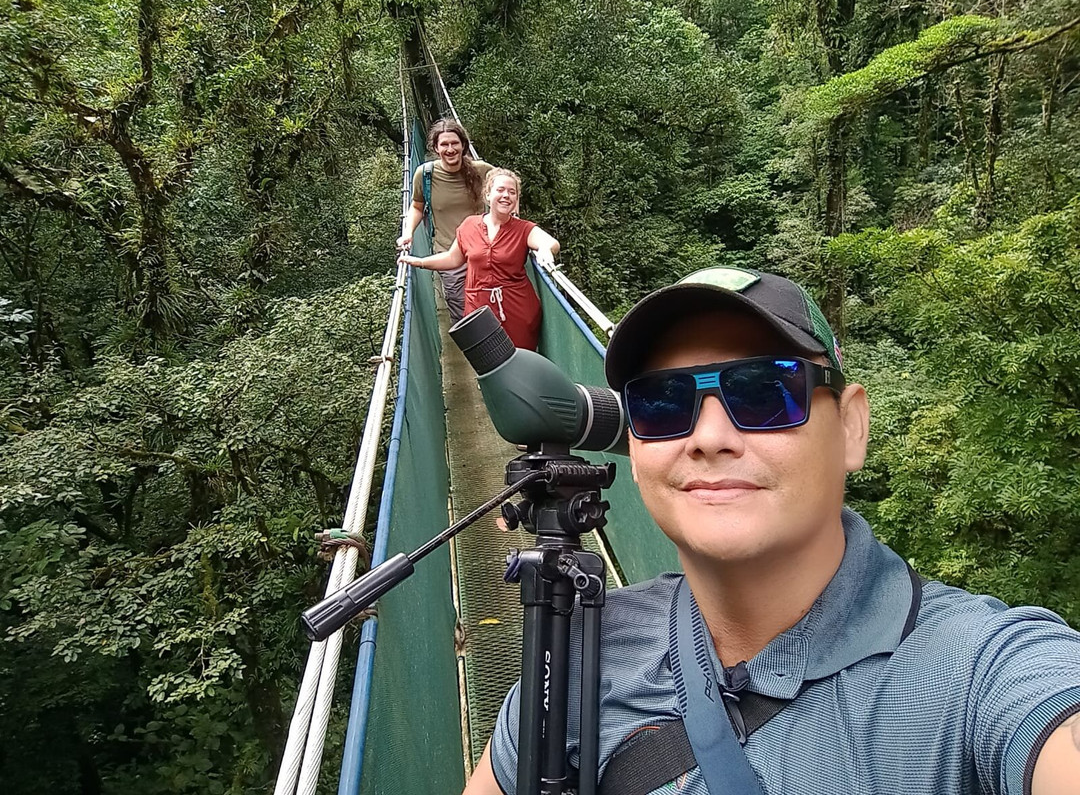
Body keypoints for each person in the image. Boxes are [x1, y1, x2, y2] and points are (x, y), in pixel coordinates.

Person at [462, 266, 1080, 794]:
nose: (708, 438)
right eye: (662, 402)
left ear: (851, 427)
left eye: (763, 393)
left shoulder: (975, 672)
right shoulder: (585, 646)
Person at [399, 168, 558, 351]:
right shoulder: (469, 225)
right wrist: (419, 262)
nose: (506, 195)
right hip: (478, 309)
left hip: (518, 310)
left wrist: (545, 249)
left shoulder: (524, 229)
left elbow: (551, 243)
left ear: (516, 200)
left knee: (518, 363)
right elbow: (453, 258)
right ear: (488, 194)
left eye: (512, 192)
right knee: (485, 363)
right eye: (500, 190)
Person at [397, 119, 493, 324]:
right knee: (462, 314)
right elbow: (417, 206)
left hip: (483, 253)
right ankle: (477, 352)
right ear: (435, 148)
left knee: (491, 306)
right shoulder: (425, 174)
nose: (450, 149)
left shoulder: (481, 170)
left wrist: (515, 221)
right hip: (447, 256)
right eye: (444, 144)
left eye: (454, 143)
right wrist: (408, 233)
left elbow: (509, 187)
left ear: (463, 145)